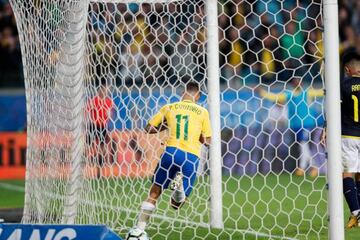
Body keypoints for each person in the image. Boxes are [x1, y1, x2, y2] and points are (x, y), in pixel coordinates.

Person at [131, 82, 212, 235]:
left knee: (154, 193)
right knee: (176, 205)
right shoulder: (202, 112)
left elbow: (148, 128)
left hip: (170, 152)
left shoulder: (169, 107)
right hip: (191, 157)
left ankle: (138, 232)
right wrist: (199, 137)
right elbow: (208, 140)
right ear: (198, 96)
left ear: (183, 94)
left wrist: (166, 126)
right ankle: (179, 189)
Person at [260, 77, 324, 177]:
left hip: (307, 124)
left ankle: (305, 168)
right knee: (302, 145)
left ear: (301, 83)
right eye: (295, 81)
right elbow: (274, 97)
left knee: (303, 144)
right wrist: (262, 92)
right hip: (295, 125)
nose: (297, 83)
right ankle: (311, 167)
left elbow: (321, 92)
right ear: (293, 84)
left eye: (299, 81)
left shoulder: (307, 93)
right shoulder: (288, 94)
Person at [338, 51, 360, 228]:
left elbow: (335, 109)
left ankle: (356, 213)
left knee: (346, 174)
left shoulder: (343, 85)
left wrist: (326, 127)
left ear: (347, 69)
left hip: (348, 135)